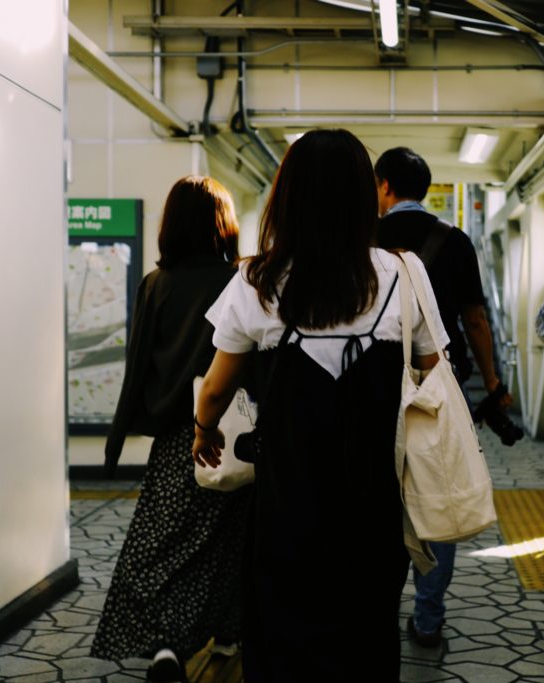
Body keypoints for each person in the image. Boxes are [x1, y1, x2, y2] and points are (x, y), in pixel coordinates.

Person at [192, 130, 447, 682]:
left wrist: (202, 429)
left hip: (287, 501)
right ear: (364, 196)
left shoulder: (254, 280)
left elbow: (214, 388)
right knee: (367, 632)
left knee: (282, 636)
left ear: (287, 196)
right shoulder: (403, 273)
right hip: (374, 500)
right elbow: (431, 374)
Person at [91, 176, 248, 681]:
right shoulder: (238, 282)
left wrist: (118, 438)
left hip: (176, 440)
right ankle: (227, 631)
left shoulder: (155, 284)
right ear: (222, 224)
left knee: (161, 547)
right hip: (234, 436)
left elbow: (137, 363)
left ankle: (165, 647)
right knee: (228, 543)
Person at [374, 146, 514, 648]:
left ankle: (374, 610)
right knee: (441, 484)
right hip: (438, 380)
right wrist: (493, 384)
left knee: (380, 495)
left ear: (384, 186)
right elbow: (476, 319)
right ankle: (429, 617)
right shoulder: (454, 241)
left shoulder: (364, 237)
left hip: (375, 386)